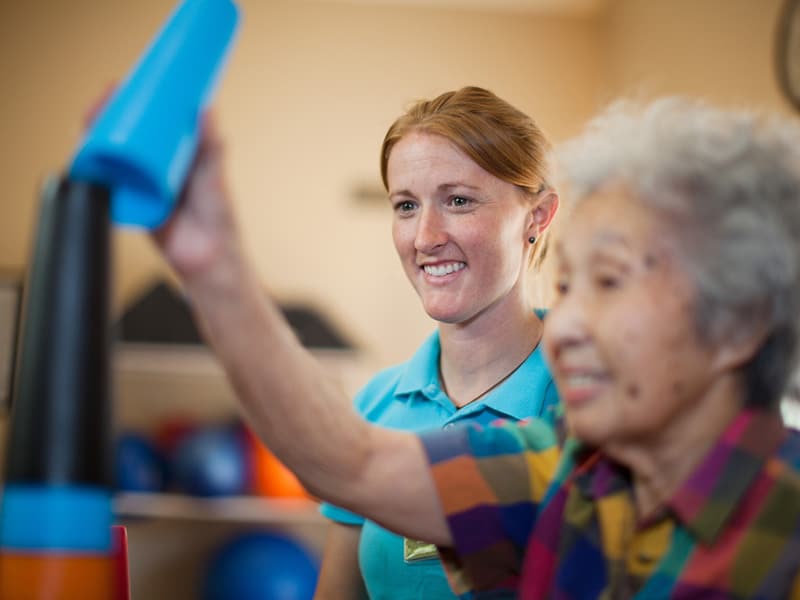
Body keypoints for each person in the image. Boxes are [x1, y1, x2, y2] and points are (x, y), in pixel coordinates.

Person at [154, 96, 800, 598]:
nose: (569, 322)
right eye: (568, 283)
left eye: (608, 281)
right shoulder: (567, 475)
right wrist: (216, 271)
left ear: (738, 325)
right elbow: (349, 464)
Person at [314, 87, 560, 599]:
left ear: (536, 216)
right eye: (406, 205)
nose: (424, 237)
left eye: (458, 200)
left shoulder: (596, 400)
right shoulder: (374, 408)